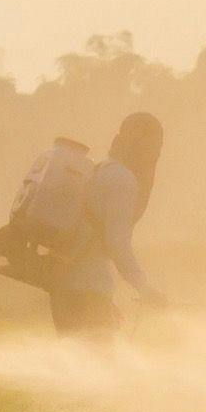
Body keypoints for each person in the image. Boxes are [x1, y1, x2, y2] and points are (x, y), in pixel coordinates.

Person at [48, 112, 166, 338]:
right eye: (153, 145)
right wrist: (144, 287)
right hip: (87, 289)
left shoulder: (102, 169)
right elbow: (117, 243)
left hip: (66, 287)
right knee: (98, 365)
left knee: (80, 364)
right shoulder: (123, 181)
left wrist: (106, 301)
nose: (155, 153)